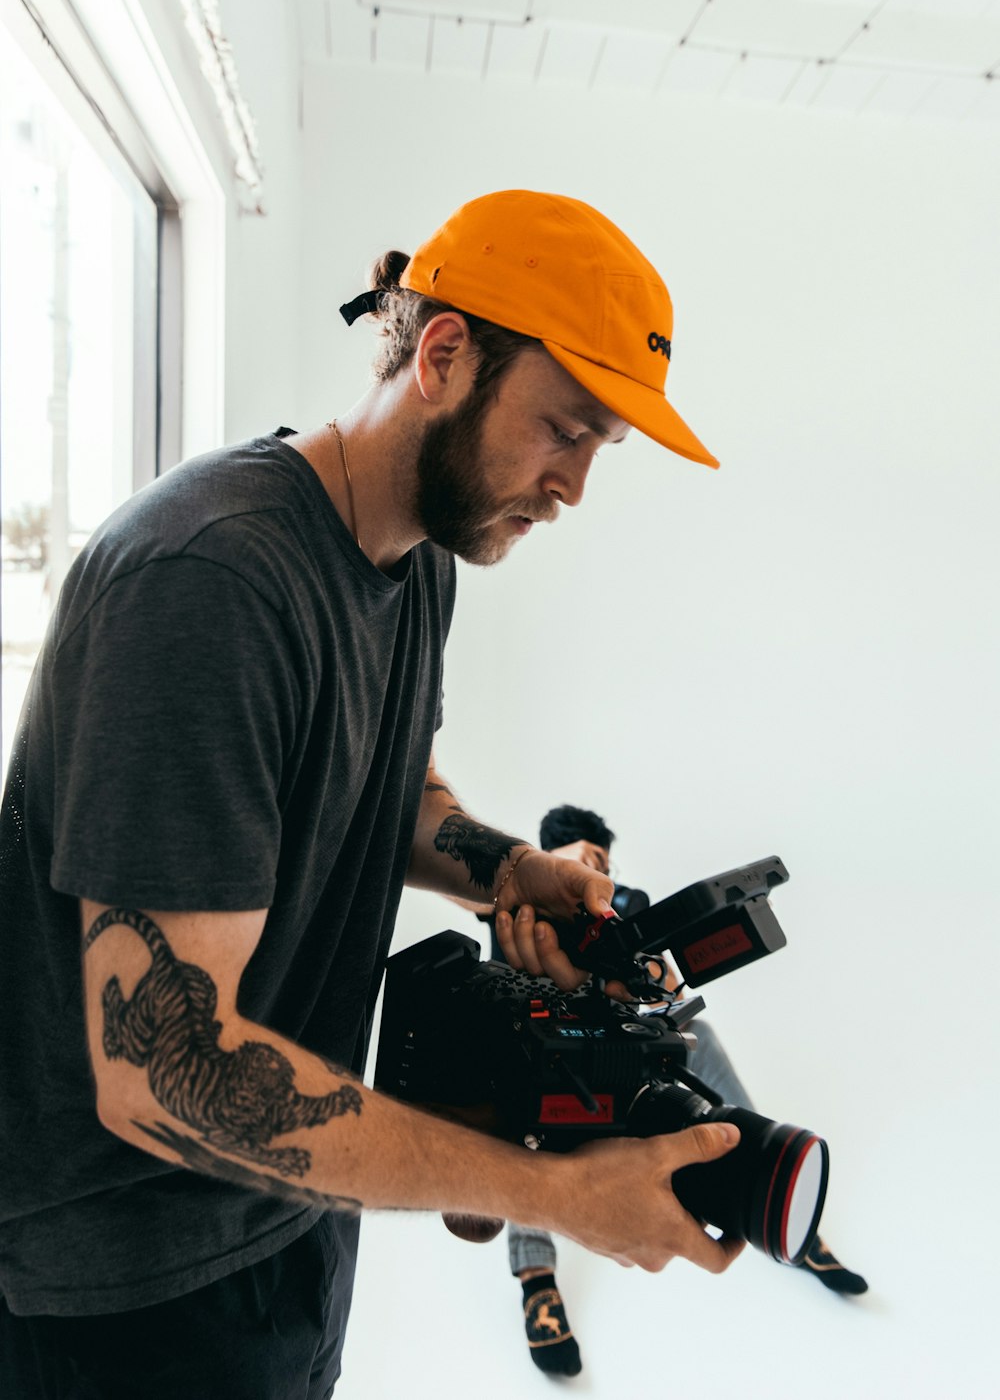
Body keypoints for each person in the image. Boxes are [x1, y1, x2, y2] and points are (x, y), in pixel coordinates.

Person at [0, 190, 744, 1399]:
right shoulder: (207, 587)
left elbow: (384, 784)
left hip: (288, 1220)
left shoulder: (410, 565)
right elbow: (163, 1071)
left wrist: (511, 871)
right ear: (444, 354)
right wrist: (556, 1198)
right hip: (124, 1286)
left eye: (600, 446)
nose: (573, 489)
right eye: (564, 429)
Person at [487, 804, 868, 1379]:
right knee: (524, 1106)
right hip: (543, 1045)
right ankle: (537, 1280)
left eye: (607, 861)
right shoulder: (513, 897)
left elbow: (660, 979)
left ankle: (758, 1166)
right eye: (590, 857)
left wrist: (654, 979)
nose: (602, 868)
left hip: (620, 1036)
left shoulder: (626, 903)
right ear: (550, 855)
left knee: (701, 1035)